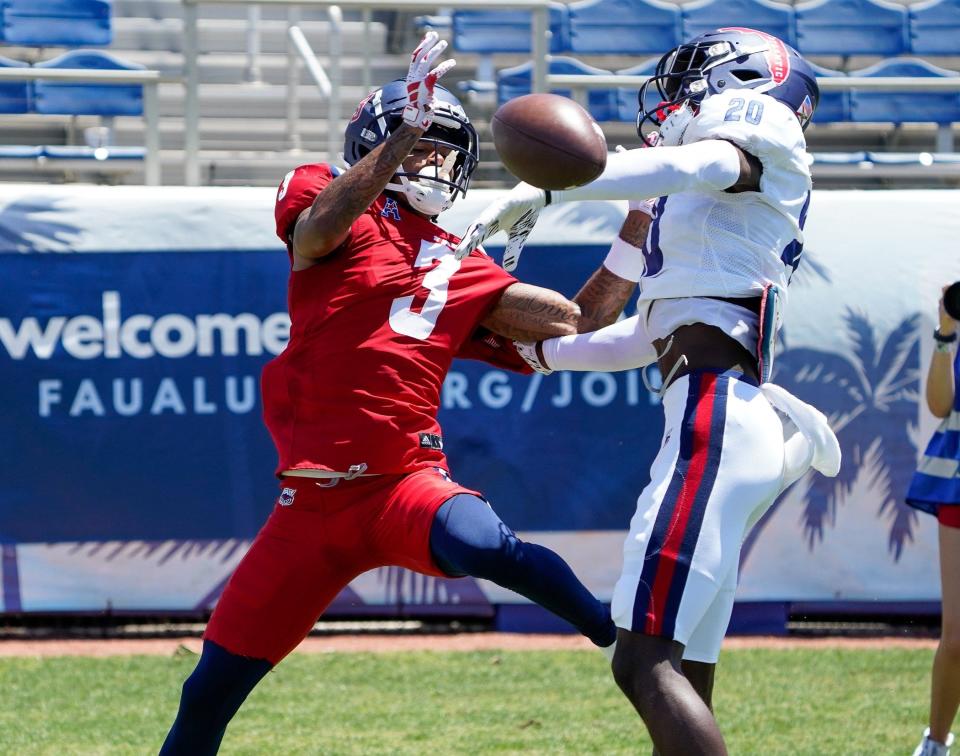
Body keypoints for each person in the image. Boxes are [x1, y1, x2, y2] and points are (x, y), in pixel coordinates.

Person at [159, 32, 641, 754]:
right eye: (419, 144)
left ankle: (617, 640)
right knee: (207, 695)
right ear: (376, 143)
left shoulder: (459, 263)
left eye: (443, 148)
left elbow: (577, 322)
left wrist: (641, 220)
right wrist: (404, 130)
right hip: (308, 506)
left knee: (480, 542)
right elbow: (318, 232)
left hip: (399, 485)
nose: (432, 160)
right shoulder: (323, 192)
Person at [455, 27, 842, 755]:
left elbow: (699, 161)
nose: (673, 93)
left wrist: (556, 181)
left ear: (746, 79)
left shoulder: (755, 135)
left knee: (642, 662)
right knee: (685, 667)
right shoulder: (704, 225)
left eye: (691, 76)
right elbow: (644, 338)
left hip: (715, 416)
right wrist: (543, 355)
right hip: (719, 414)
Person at [906, 285, 960, 756]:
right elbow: (940, 406)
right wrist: (946, 333)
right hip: (957, 488)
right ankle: (936, 744)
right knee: (957, 636)